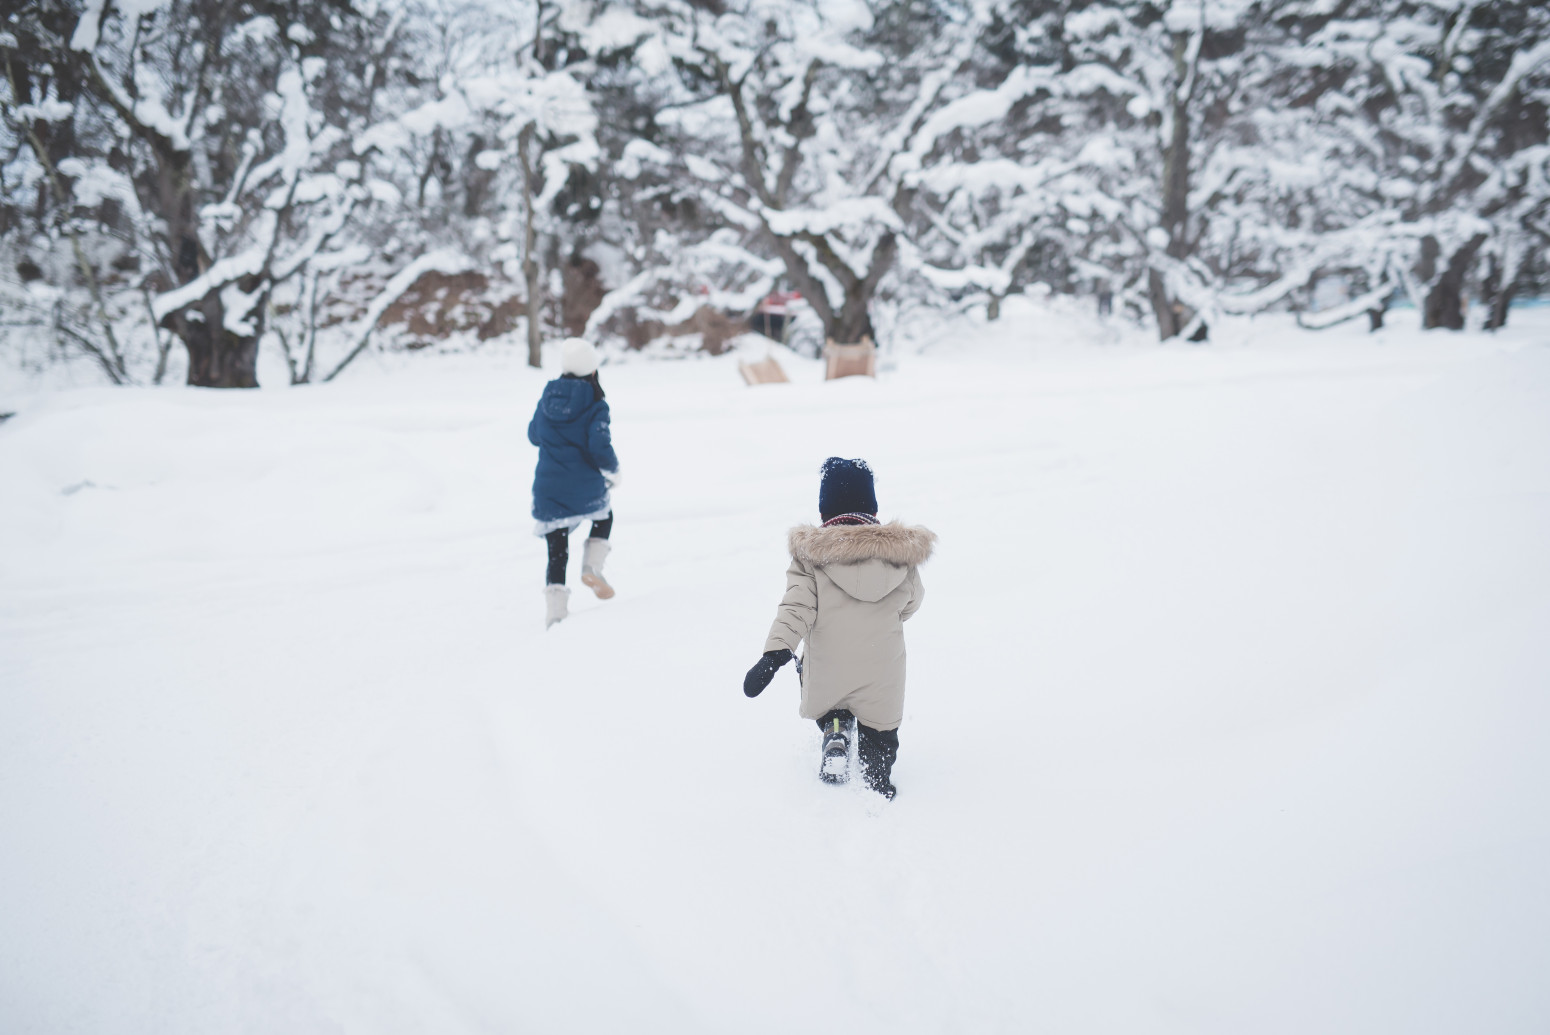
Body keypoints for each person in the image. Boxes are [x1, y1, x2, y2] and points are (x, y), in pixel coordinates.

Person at [742, 458, 935, 799]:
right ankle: (877, 774)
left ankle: (835, 728)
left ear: (824, 509)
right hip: (882, 672)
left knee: (829, 698)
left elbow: (795, 609)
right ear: (871, 507)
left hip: (829, 670)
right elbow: (912, 603)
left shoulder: (811, 558)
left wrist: (775, 653)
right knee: (881, 732)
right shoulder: (900, 556)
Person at [528, 337, 620, 628]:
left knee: (557, 549)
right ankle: (592, 567)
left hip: (548, 490)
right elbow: (599, 446)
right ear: (593, 371)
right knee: (604, 516)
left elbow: (533, 435)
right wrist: (613, 470)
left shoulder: (548, 398)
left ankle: (555, 614)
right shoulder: (595, 402)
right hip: (584, 486)